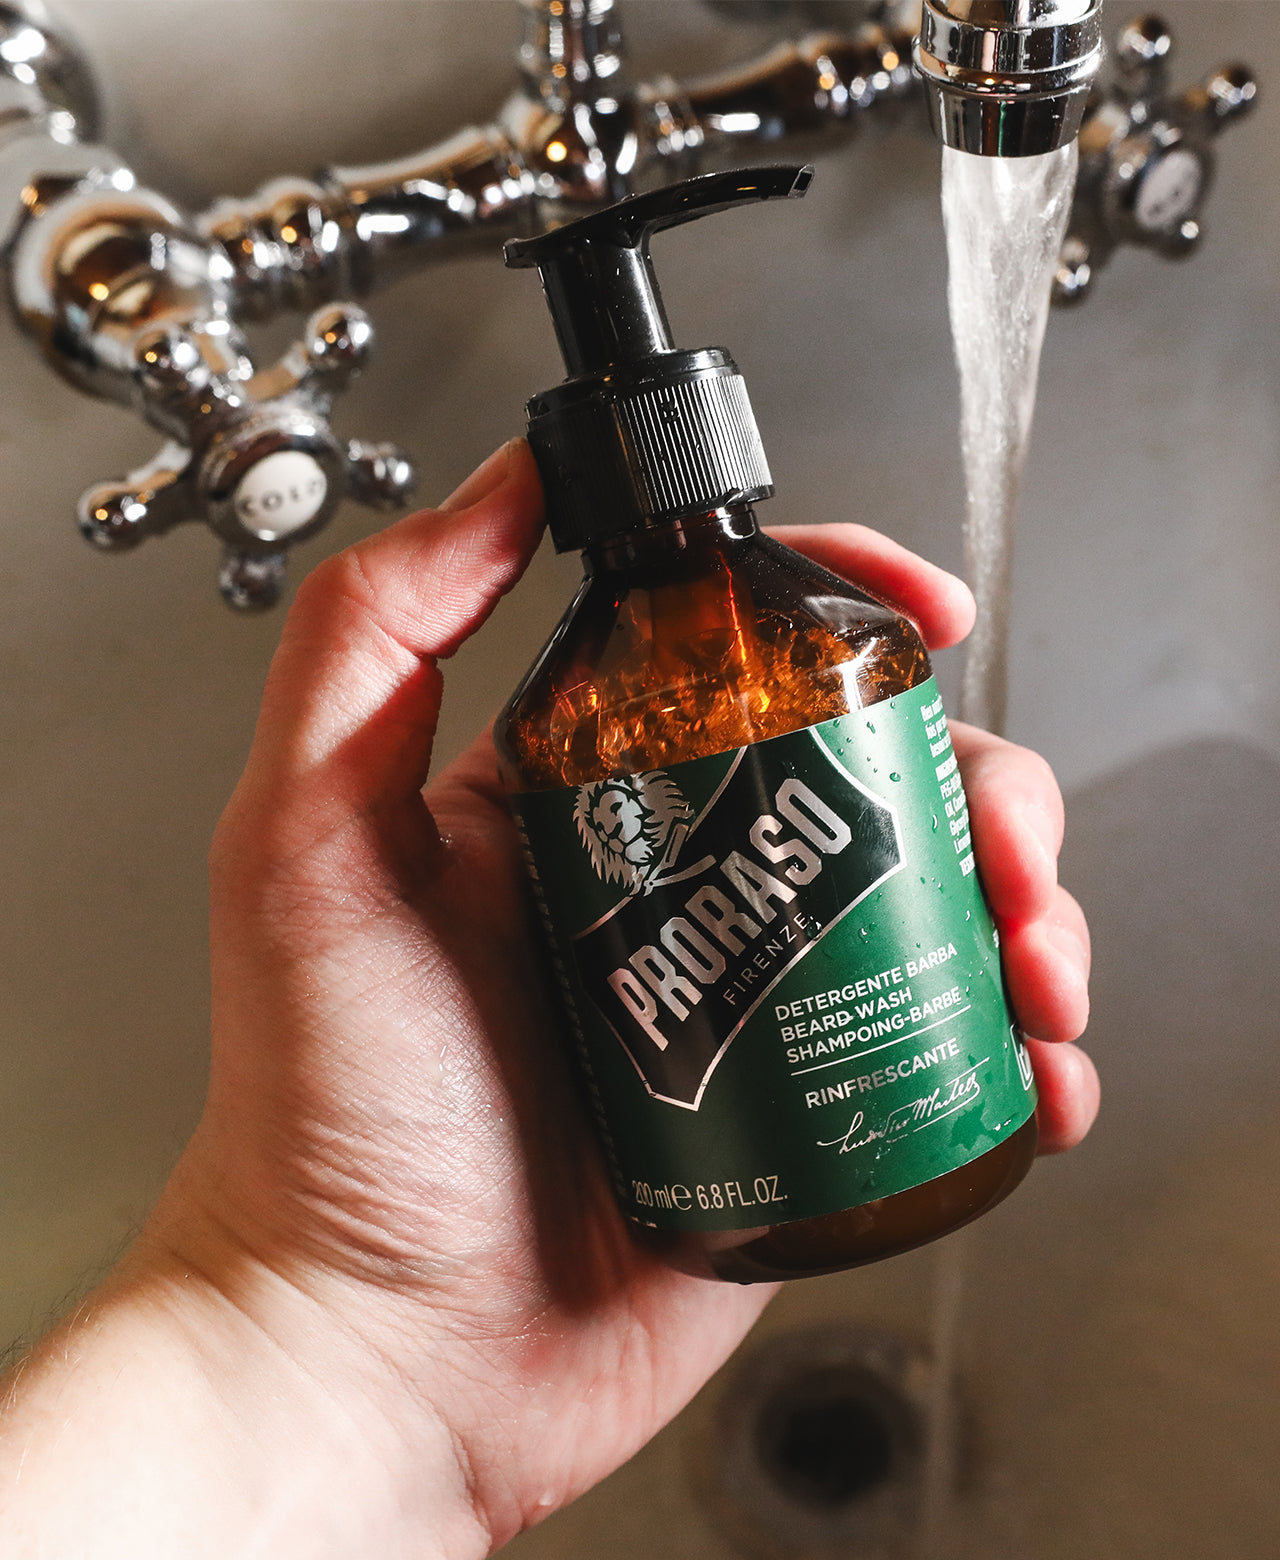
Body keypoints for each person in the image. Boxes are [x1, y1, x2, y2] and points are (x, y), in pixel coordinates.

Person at [0, 441, 1096, 1556]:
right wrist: (329, 1322)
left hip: (861, 1146)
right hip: (623, 1228)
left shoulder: (823, 645)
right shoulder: (578, 712)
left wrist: (325, 1348)